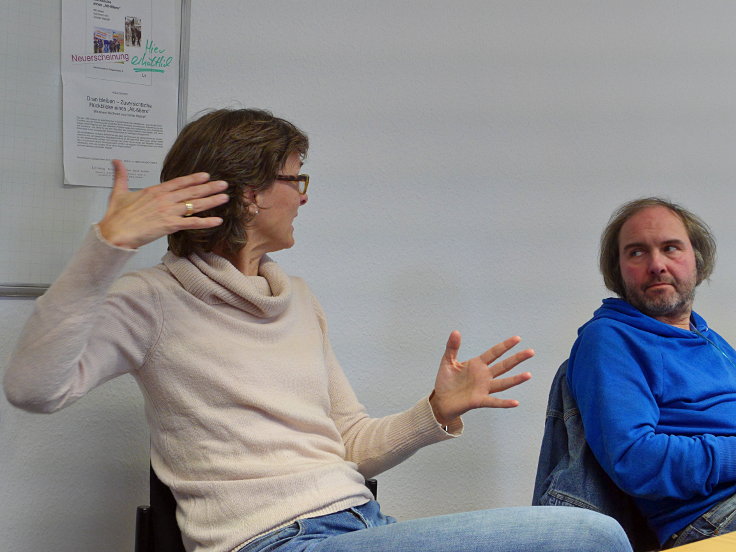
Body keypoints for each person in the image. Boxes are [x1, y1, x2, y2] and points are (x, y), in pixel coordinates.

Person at [4, 108, 631, 552]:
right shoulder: (152, 301)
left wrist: (433, 411)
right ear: (250, 193)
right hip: (271, 542)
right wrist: (106, 247)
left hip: (362, 526)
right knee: (591, 534)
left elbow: (351, 443)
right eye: (295, 178)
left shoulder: (298, 300)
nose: (304, 196)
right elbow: (33, 388)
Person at [567, 197, 736, 549]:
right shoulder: (610, 338)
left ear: (697, 260)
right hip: (710, 517)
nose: (657, 264)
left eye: (671, 248)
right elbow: (635, 460)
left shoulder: (707, 338)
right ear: (619, 269)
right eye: (637, 252)